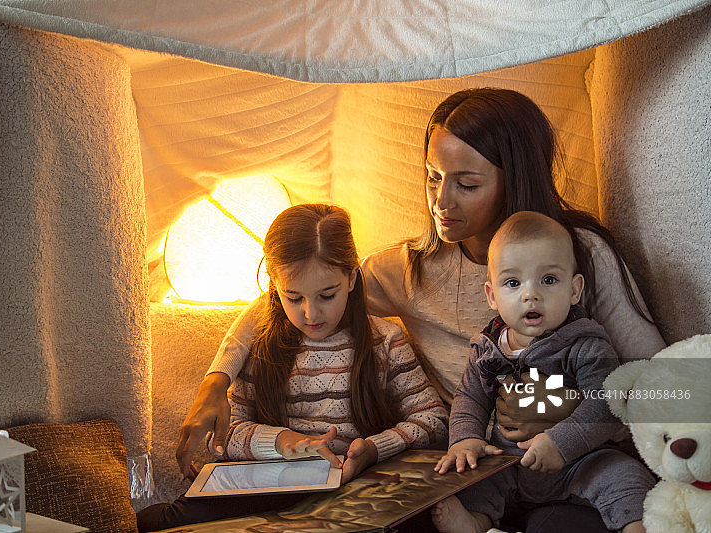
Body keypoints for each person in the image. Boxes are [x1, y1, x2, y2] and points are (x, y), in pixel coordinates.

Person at [175, 88, 665, 531]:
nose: (441, 201)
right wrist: (216, 381)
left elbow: (660, 375)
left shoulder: (575, 253)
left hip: (575, 462)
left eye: (466, 184)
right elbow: (288, 298)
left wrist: (554, 406)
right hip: (471, 469)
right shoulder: (407, 270)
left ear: (511, 178)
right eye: (434, 177)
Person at [138, 203, 448, 531]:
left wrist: (372, 449)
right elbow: (228, 433)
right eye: (294, 297)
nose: (311, 314)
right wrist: (282, 441)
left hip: (352, 487)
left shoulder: (385, 341)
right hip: (271, 483)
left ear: (352, 278)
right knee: (160, 523)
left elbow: (433, 420)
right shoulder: (261, 344)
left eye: (327, 295)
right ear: (274, 286)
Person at [431, 211, 654, 533]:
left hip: (581, 460)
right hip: (508, 460)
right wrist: (465, 440)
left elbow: (606, 403)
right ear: (492, 296)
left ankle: (637, 525)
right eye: (512, 283)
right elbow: (470, 397)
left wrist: (561, 442)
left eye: (549, 280)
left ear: (574, 290)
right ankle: (475, 522)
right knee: (472, 479)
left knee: (625, 478)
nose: (530, 294)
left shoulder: (584, 344)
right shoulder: (487, 348)